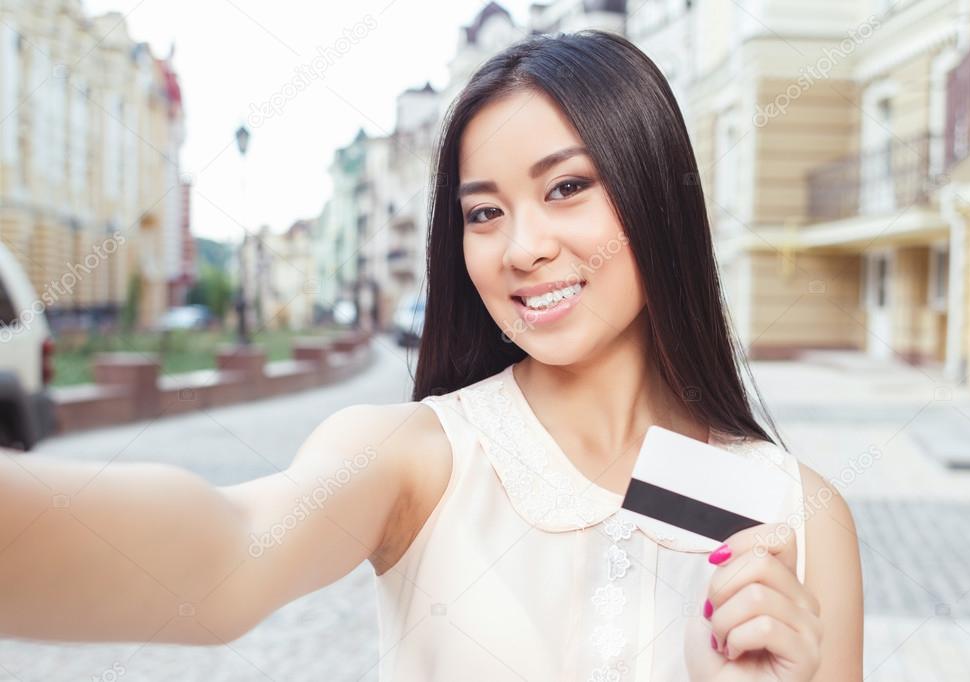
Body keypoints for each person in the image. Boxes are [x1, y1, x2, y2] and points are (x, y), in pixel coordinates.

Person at [0, 30, 863, 681]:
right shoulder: (416, 456)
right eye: (483, 212)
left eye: (566, 187)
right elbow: (228, 551)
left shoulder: (796, 514)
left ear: (654, 189)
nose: (520, 247)